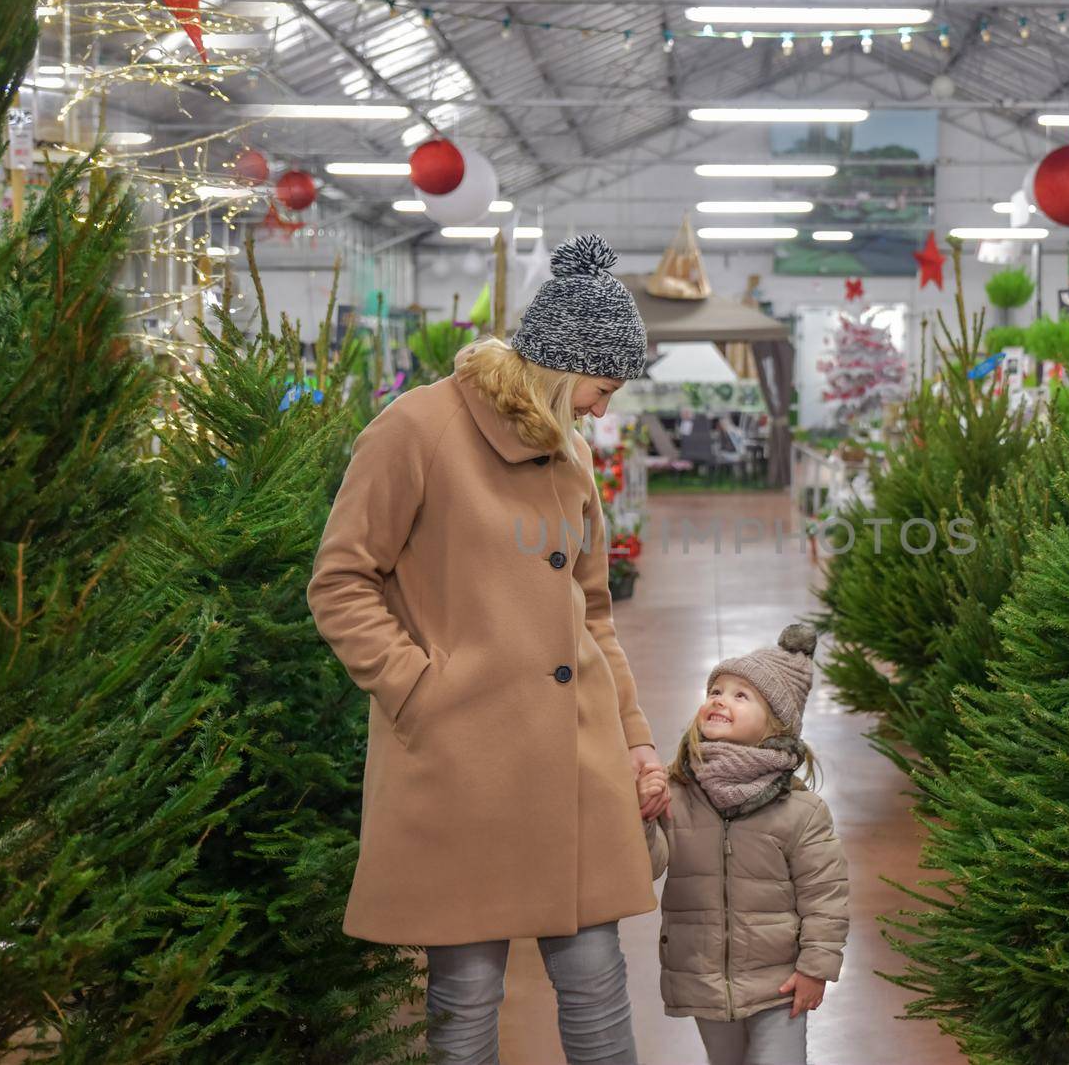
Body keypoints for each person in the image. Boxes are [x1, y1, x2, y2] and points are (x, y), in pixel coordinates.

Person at [307, 233, 670, 1065]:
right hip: (461, 762)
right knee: (466, 996)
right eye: (600, 389)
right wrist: (420, 689)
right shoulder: (415, 429)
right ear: (558, 366)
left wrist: (637, 737)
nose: (602, 412)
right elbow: (340, 581)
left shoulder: (569, 451)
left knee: (598, 982)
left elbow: (592, 609)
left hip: (576, 760)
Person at [635, 624, 850, 1065]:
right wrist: (642, 817)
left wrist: (815, 968)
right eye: (715, 689)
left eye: (740, 695)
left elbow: (825, 896)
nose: (719, 699)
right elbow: (649, 866)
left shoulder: (800, 811)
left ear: (776, 723)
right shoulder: (679, 795)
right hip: (704, 979)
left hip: (781, 983)